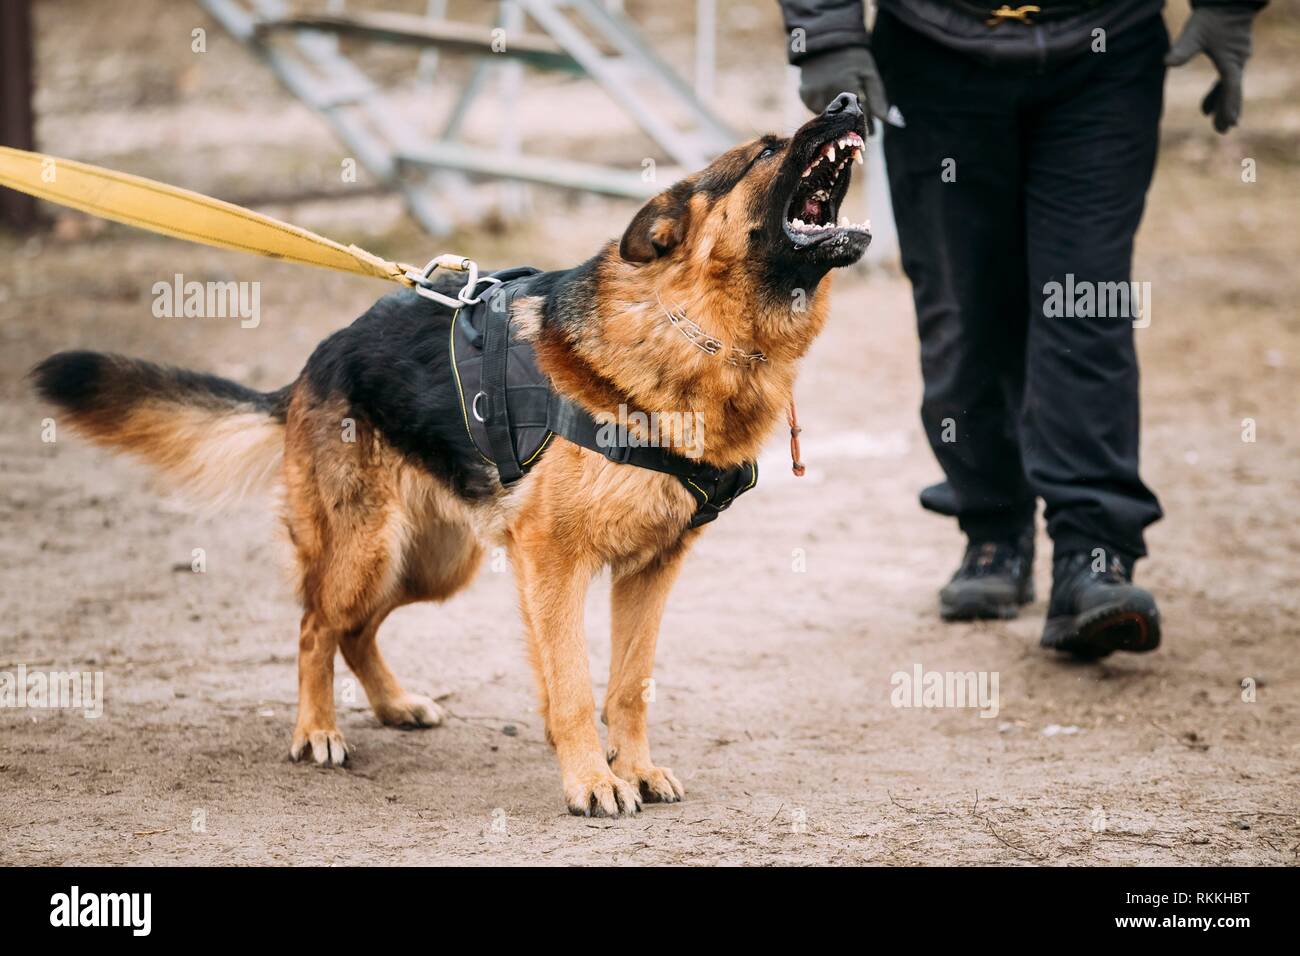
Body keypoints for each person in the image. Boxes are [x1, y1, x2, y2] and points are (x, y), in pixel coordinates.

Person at [779, 0, 1264, 657]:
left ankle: (1092, 554)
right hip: (933, 54)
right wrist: (828, 37)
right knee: (964, 300)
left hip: (1105, 52)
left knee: (1084, 299)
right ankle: (993, 526)